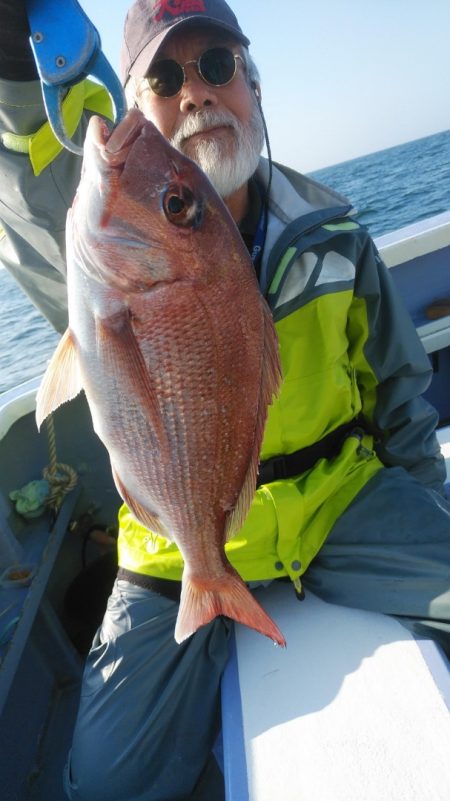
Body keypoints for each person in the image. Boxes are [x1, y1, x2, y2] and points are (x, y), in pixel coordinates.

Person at [1, 1, 450, 799]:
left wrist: (428, 508)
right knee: (104, 778)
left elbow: (404, 397)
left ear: (256, 85)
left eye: (217, 66)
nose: (197, 93)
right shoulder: (95, 249)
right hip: (176, 544)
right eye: (166, 79)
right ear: (135, 108)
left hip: (340, 504)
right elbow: (33, 206)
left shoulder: (337, 236)